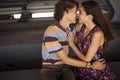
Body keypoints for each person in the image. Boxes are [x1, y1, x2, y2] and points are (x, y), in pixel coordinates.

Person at [40, 0, 106, 80]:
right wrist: (92, 65)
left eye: (79, 12)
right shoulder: (51, 33)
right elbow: (65, 59)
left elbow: (87, 22)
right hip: (50, 69)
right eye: (76, 11)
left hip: (65, 67)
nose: (77, 14)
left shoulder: (72, 29)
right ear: (66, 11)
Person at [67, 1, 116, 80]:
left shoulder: (97, 34)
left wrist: (72, 44)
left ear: (89, 16)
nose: (77, 14)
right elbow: (74, 38)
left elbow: (87, 59)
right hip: (81, 68)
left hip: (94, 71)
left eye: (80, 12)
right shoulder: (81, 26)